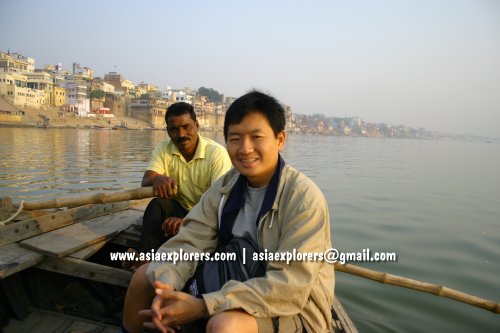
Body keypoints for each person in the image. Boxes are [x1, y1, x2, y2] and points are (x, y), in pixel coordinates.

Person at [122, 91, 334, 333]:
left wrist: (204, 306)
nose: (245, 149)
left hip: (293, 306)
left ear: (280, 139)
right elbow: (191, 240)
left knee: (224, 325)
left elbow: (290, 287)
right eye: (235, 139)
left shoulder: (304, 198)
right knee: (143, 278)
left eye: (256, 137)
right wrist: (167, 285)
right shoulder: (226, 187)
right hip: (234, 273)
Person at [138, 102, 232, 253]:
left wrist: (188, 222)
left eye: (186, 127)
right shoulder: (164, 148)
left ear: (197, 125)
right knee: (157, 205)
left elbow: (218, 203)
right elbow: (146, 181)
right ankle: (146, 257)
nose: (181, 134)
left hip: (208, 216)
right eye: (174, 129)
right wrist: (156, 179)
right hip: (180, 209)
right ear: (168, 131)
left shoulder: (216, 153)